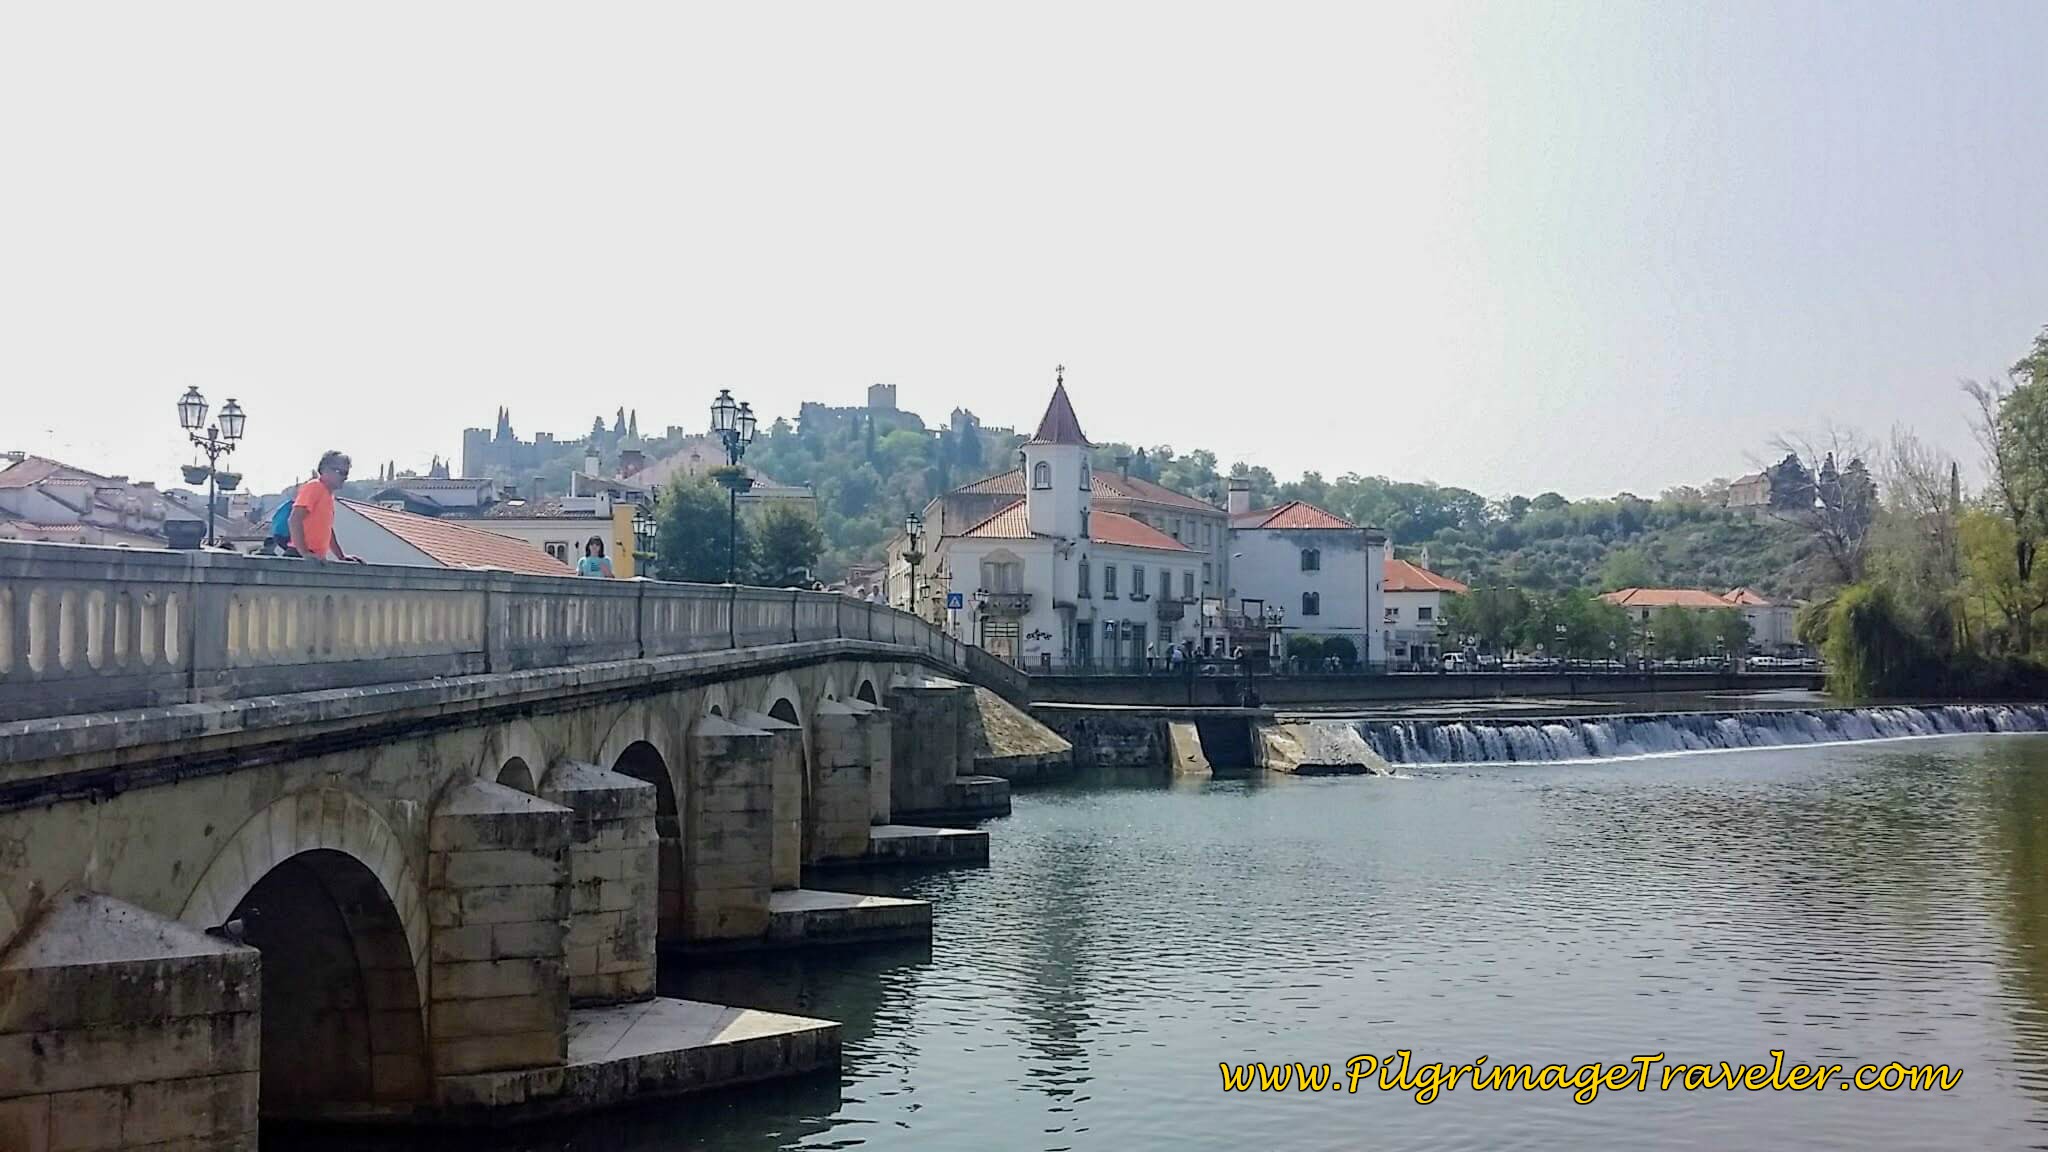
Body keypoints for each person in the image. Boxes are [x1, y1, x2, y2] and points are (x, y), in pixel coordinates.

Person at [288, 450, 358, 562]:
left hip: (315, 558)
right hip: (300, 556)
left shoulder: (328, 495)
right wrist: (304, 552)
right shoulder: (315, 487)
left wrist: (341, 556)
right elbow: (294, 519)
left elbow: (327, 530)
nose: (345, 477)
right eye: (341, 472)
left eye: (346, 473)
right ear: (324, 470)